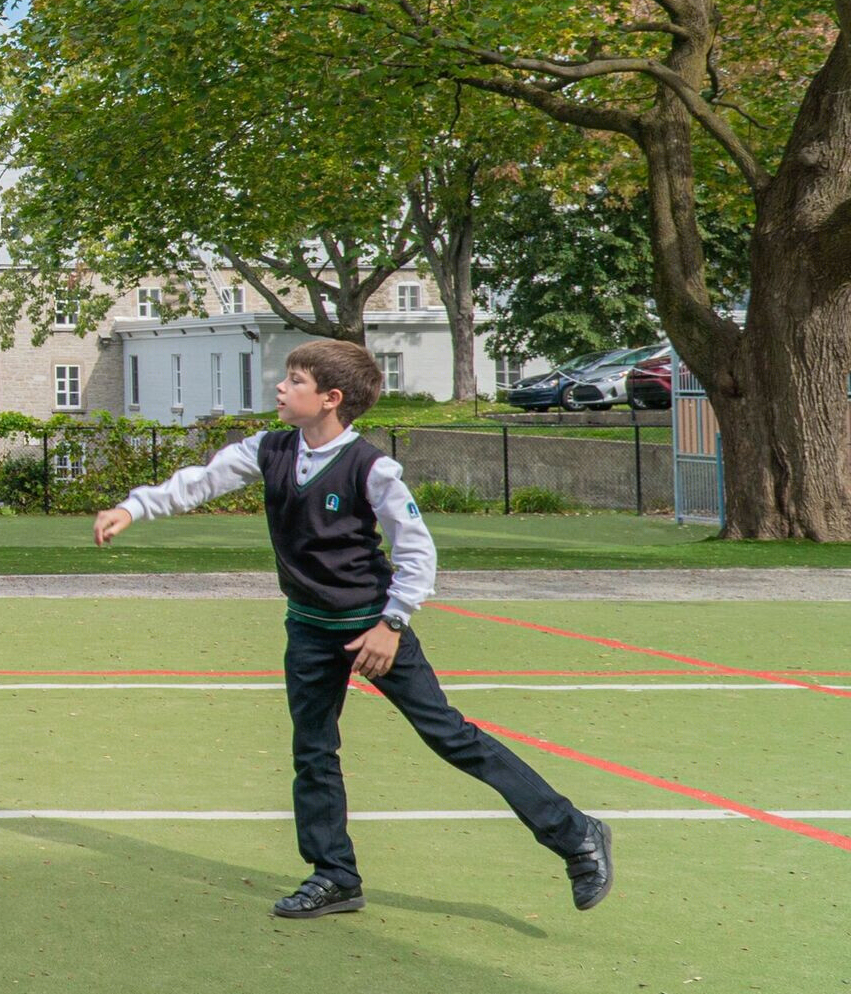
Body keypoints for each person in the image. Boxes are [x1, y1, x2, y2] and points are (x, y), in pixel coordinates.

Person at [95, 340, 613, 920]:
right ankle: (334, 875)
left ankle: (576, 833)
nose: (281, 389)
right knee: (313, 753)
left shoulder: (372, 467)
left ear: (330, 399)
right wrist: (133, 508)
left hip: (372, 629)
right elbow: (198, 481)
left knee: (451, 736)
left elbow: (417, 552)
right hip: (309, 631)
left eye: (294, 381)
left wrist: (391, 624)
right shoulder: (268, 449)